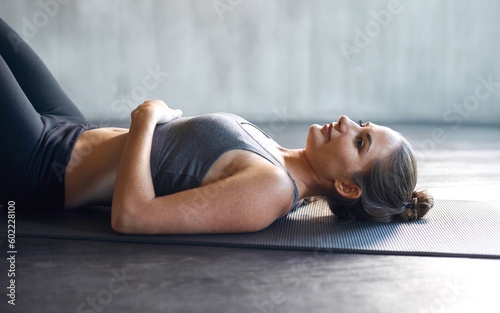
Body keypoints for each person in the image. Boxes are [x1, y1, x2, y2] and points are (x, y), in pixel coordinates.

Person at [0, 18, 433, 235]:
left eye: (360, 140)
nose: (346, 122)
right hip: (71, 129)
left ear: (349, 188)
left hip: (39, 161)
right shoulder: (284, 161)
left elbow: (132, 216)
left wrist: (144, 119)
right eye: (362, 124)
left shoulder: (272, 190)